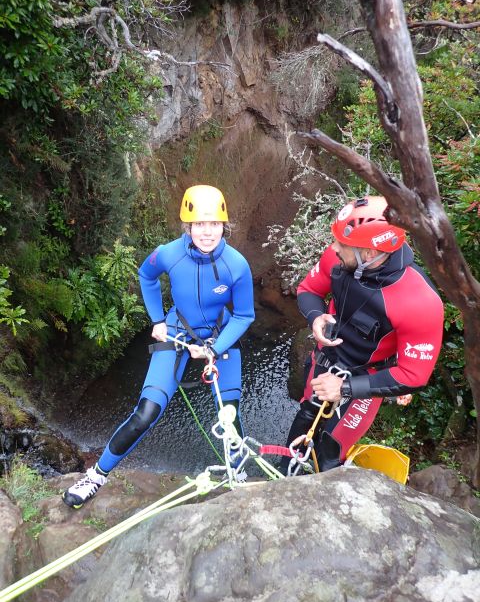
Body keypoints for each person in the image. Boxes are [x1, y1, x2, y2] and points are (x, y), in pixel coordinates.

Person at [63, 184, 255, 507]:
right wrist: (157, 320)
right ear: (188, 226)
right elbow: (146, 275)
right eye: (199, 224)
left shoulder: (237, 266)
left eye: (214, 224)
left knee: (230, 418)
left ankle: (238, 477)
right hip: (178, 331)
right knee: (145, 412)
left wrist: (212, 348)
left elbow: (244, 315)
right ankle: (96, 475)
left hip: (219, 335)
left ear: (224, 225)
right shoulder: (170, 253)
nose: (207, 232)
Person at [281, 195, 444, 475]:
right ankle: (282, 484)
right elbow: (309, 290)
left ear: (369, 253)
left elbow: (414, 375)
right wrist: (315, 316)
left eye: (342, 245)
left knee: (330, 452)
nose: (333, 248)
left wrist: (343, 389)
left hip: (364, 382)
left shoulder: (420, 302)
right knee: (303, 424)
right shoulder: (339, 257)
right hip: (324, 362)